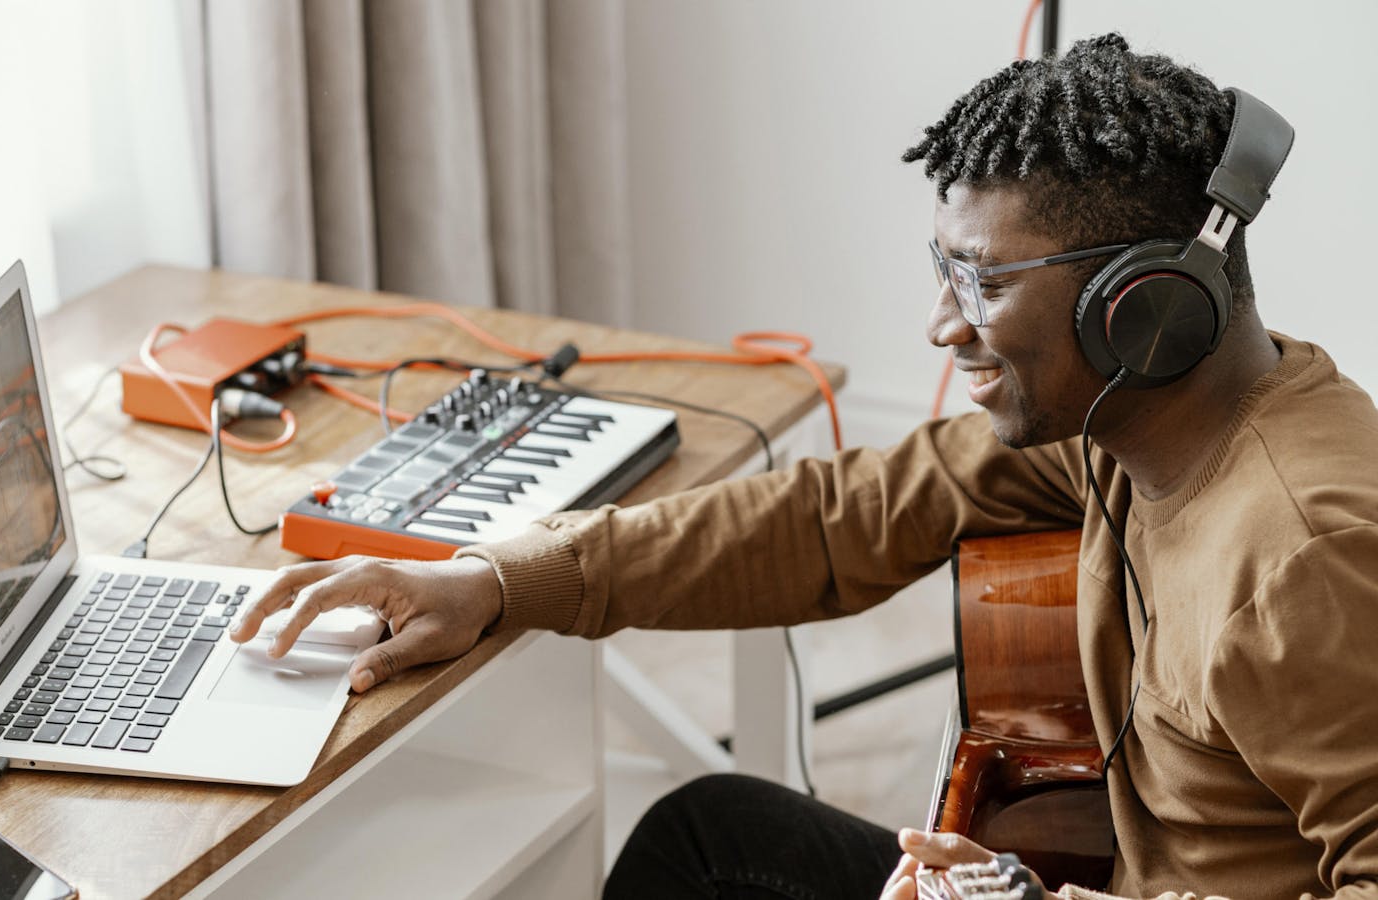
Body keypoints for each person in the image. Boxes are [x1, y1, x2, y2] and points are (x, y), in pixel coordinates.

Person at [230, 34, 1378, 899]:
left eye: (981, 281)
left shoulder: (1306, 551)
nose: (941, 325)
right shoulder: (1124, 433)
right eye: (943, 269)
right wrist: (495, 578)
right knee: (710, 835)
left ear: (1142, 306)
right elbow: (841, 517)